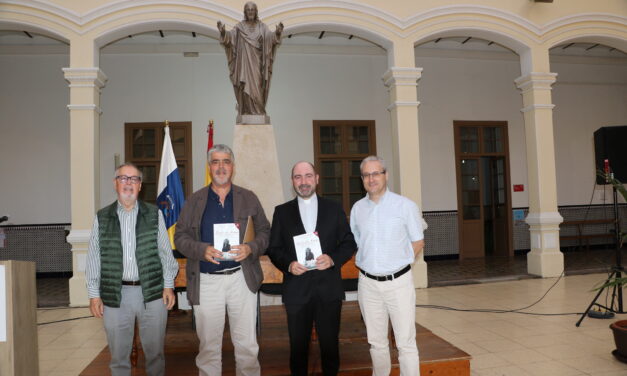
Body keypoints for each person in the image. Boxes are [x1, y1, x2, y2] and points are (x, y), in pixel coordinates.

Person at [174, 144, 270, 376]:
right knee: (208, 347)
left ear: (232, 167)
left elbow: (265, 232)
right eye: (215, 162)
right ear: (209, 168)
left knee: (247, 345)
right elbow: (180, 236)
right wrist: (201, 249)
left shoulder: (248, 197)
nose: (220, 167)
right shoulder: (195, 200)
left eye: (225, 161)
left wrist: (250, 247)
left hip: (241, 278)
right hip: (207, 281)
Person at [86, 163, 178, 376]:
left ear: (140, 185)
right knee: (118, 358)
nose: (128, 183)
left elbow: (166, 254)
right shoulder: (102, 217)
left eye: (134, 179)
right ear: (115, 183)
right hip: (115, 295)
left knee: (155, 355)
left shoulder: (155, 214)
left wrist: (168, 286)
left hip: (153, 293)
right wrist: (94, 294)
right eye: (123, 178)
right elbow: (94, 257)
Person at [267, 161, 356, 375]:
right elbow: (274, 248)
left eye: (308, 176)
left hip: (328, 289)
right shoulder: (281, 212)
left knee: (330, 347)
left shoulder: (334, 209)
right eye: (298, 177)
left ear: (316, 178)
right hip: (297, 290)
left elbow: (349, 242)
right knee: (297, 349)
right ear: (292, 182)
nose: (303, 181)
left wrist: (333, 259)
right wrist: (288, 264)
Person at [350, 155, 425, 376]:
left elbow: (418, 241)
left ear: (386, 175)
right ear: (362, 179)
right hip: (368, 284)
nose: (371, 179)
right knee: (376, 343)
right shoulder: (357, 209)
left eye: (376, 173)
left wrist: (397, 261)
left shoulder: (405, 206)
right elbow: (357, 241)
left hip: (398, 283)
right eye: (366, 175)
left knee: (405, 343)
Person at [217, 1, 283, 118]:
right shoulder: (239, 27)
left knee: (257, 87)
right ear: (245, 12)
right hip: (244, 65)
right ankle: (246, 111)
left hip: (257, 64)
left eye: (253, 10)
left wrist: (277, 33)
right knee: (245, 87)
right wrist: (223, 32)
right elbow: (230, 38)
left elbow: (270, 38)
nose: (251, 12)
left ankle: (259, 111)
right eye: (248, 10)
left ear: (256, 12)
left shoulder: (262, 27)